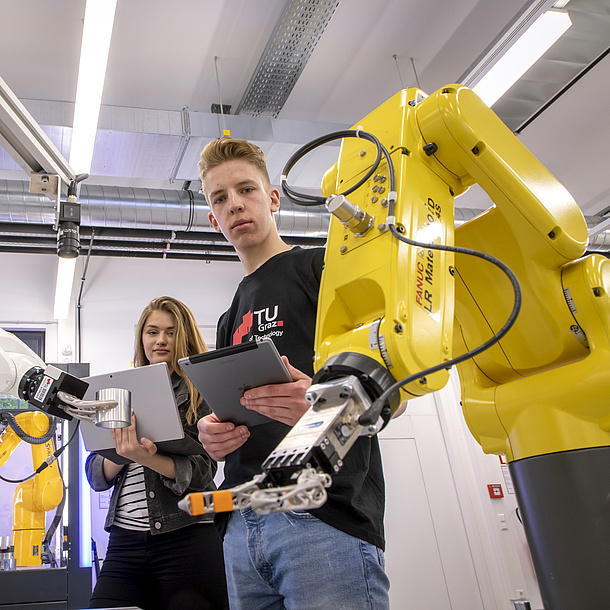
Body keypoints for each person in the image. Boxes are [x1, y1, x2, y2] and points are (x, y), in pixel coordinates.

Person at [197, 137, 390, 609]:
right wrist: (212, 432)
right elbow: (230, 413)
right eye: (220, 199)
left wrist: (323, 403)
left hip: (321, 515)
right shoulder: (229, 316)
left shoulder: (322, 269)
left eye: (246, 190)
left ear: (274, 198)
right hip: (243, 525)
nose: (234, 205)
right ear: (212, 219)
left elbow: (393, 383)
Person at [86, 296, 229, 610]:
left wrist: (144, 456)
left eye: (171, 331)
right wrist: (122, 452)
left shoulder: (198, 391)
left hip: (187, 535)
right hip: (124, 539)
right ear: (141, 338)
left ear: (185, 336)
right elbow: (95, 472)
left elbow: (203, 471)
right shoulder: (115, 391)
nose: (161, 339)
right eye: (152, 332)